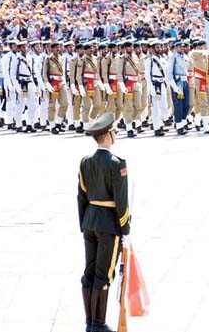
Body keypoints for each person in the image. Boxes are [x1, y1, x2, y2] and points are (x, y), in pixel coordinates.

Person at [77, 112, 130, 332]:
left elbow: (81, 196)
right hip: (109, 225)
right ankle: (98, 324)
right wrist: (125, 229)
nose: (115, 135)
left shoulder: (85, 162)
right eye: (114, 132)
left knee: (89, 272)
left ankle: (90, 322)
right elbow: (121, 201)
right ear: (108, 136)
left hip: (90, 222)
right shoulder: (117, 164)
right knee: (104, 275)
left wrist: (84, 224)